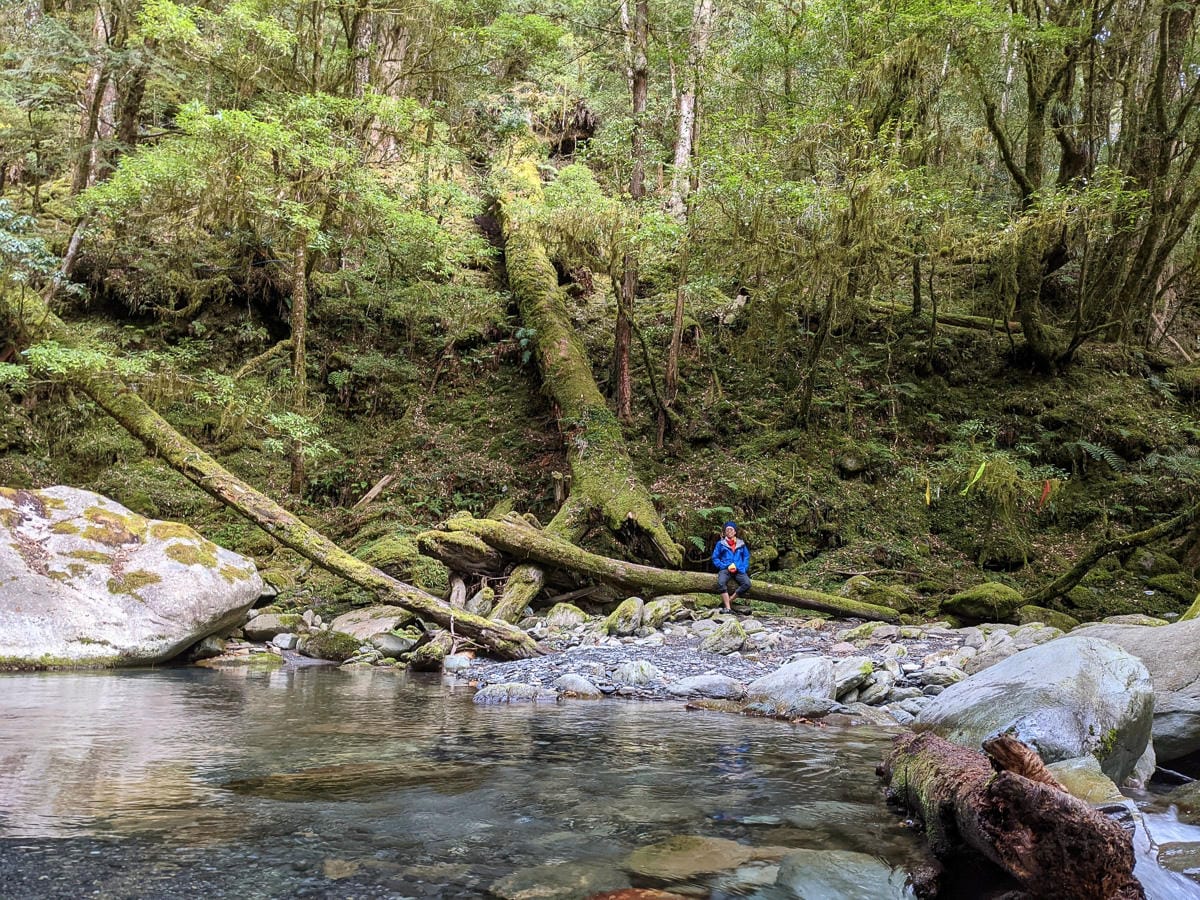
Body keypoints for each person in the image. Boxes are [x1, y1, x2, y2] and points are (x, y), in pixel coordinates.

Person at [711, 521, 750, 612]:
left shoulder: (741, 544)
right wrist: (722, 566)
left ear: (735, 532)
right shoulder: (720, 544)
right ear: (725, 532)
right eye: (727, 530)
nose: (729, 531)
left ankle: (729, 600)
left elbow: (746, 557)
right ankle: (728, 608)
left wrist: (743, 567)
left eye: (731, 529)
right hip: (725, 568)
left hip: (739, 568)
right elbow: (715, 557)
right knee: (721, 583)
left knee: (747, 584)